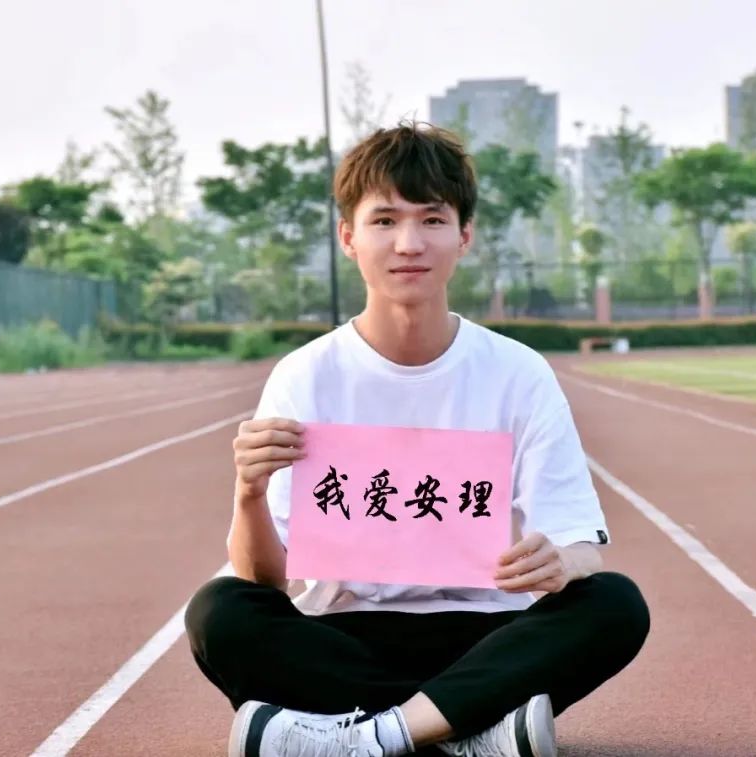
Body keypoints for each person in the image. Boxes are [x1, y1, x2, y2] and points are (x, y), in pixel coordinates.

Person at [185, 122, 650, 757]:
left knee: (614, 603)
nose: (409, 243)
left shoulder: (517, 373)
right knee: (220, 611)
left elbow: (580, 546)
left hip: (487, 635)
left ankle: (369, 735)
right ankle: (467, 729)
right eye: (384, 221)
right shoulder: (305, 375)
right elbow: (265, 580)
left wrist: (560, 563)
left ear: (464, 235)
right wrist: (248, 494)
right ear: (348, 237)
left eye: (432, 219)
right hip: (344, 634)